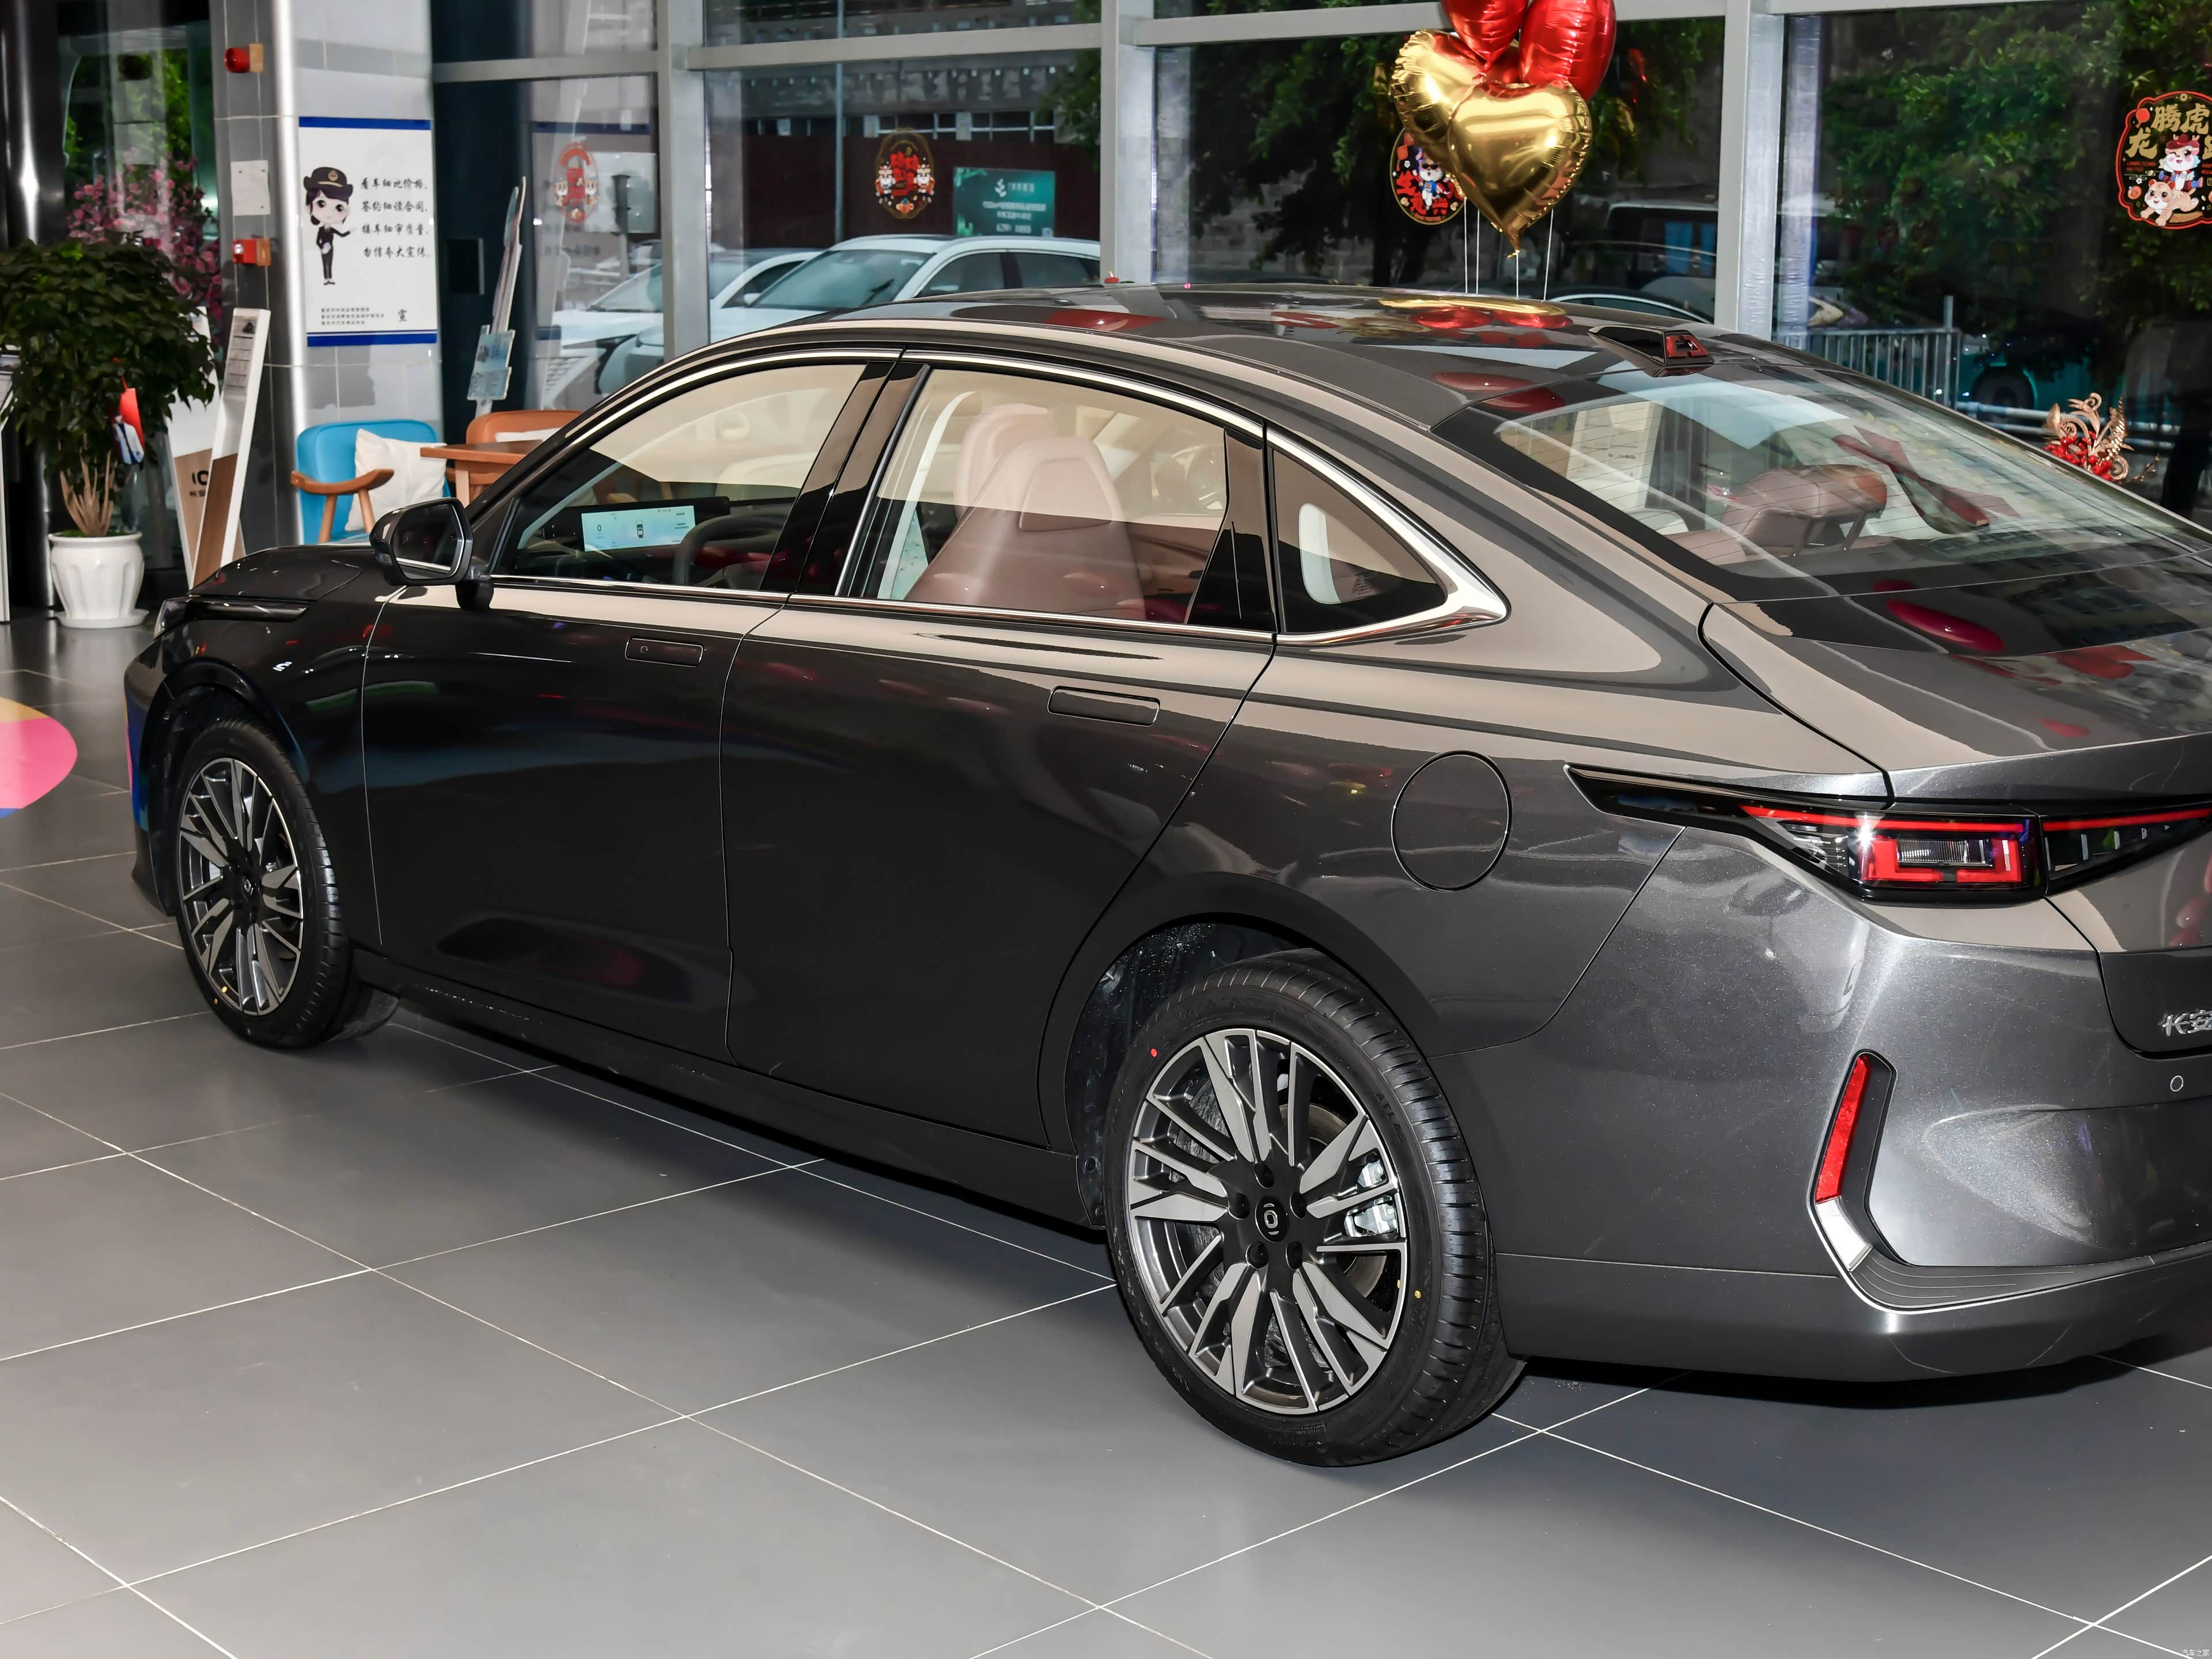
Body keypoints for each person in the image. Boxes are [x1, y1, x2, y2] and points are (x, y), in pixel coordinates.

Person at [304, 166, 352, 285]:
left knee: (330, 263)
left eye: (339, 207)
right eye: (321, 203)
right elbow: (317, 241)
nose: (330, 212)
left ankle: (330, 278)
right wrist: (322, 247)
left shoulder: (332, 230)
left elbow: (342, 235)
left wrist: (351, 231)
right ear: (309, 207)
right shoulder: (321, 230)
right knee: (324, 262)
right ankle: (326, 279)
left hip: (331, 249)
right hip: (324, 249)